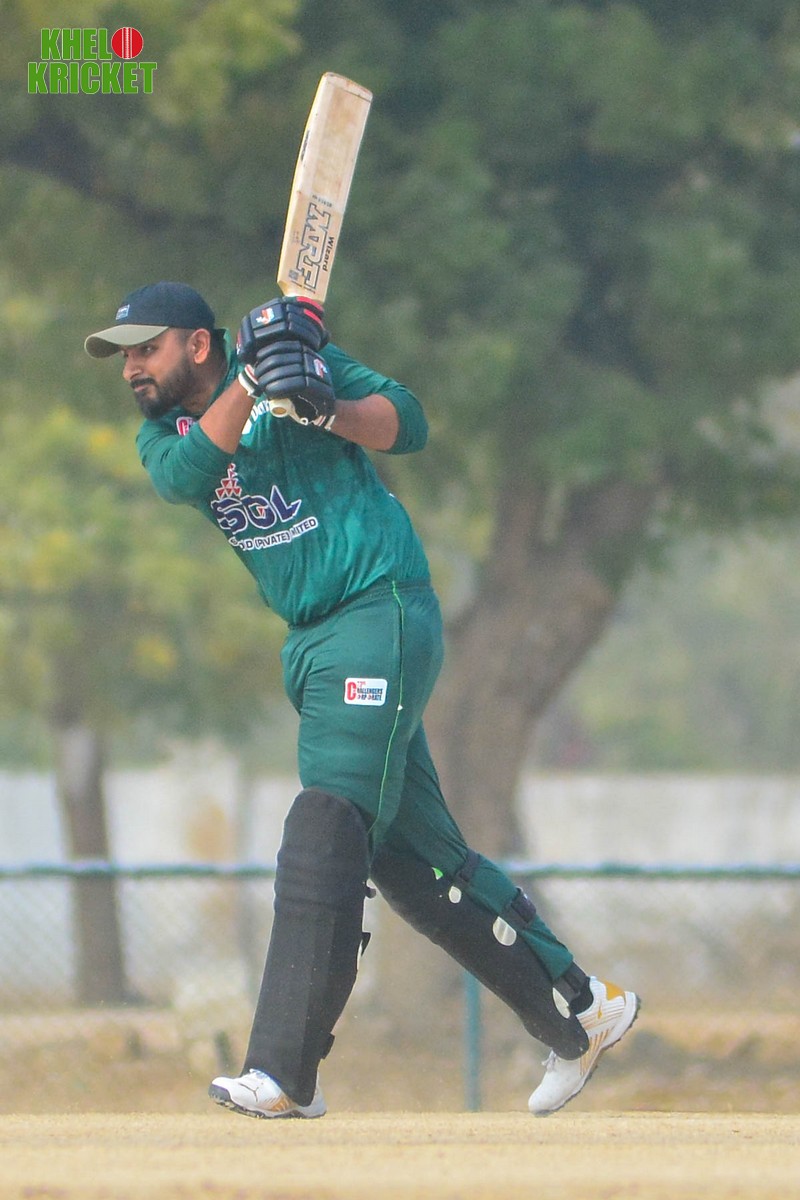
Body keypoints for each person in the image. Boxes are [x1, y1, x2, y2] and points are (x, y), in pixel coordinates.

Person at [85, 281, 640, 1119]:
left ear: (197, 343)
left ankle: (284, 1070)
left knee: (326, 819)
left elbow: (406, 423)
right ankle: (582, 1009)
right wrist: (256, 381)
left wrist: (324, 405)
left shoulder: (295, 358)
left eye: (145, 349)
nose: (132, 367)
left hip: (379, 606)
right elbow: (189, 473)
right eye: (124, 355)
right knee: (415, 864)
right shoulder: (165, 433)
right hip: (310, 638)